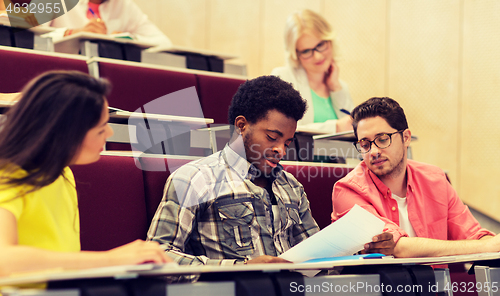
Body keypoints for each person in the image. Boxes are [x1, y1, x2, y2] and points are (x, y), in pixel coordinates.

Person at [147, 76, 393, 266]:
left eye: (287, 142)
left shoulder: (291, 187)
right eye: (272, 137)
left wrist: (361, 250)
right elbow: (158, 257)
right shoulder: (194, 179)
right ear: (242, 126)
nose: (281, 150)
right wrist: (241, 267)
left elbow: (319, 256)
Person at [0, 71, 172, 277]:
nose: (109, 133)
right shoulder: (7, 175)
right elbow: (4, 260)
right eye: (101, 129)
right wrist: (110, 260)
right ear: (65, 134)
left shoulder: (62, 172)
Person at [331, 97, 500, 258]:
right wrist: (486, 246)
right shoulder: (347, 190)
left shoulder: (435, 179)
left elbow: (473, 235)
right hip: (380, 287)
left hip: (436, 287)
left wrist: (491, 243)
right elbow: (396, 247)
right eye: (365, 145)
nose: (373, 151)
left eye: (382, 139)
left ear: (406, 138)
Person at [271, 9, 354, 133]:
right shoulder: (283, 79)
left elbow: (353, 130)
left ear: (330, 40)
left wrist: (336, 88)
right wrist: (335, 127)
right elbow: (281, 130)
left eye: (320, 45)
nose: (317, 56)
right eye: (306, 51)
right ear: (295, 54)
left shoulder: (341, 87)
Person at [35, 0, 171, 46]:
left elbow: (163, 42)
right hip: (57, 76)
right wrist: (72, 34)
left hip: (104, 82)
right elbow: (30, 41)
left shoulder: (124, 5)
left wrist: (128, 39)